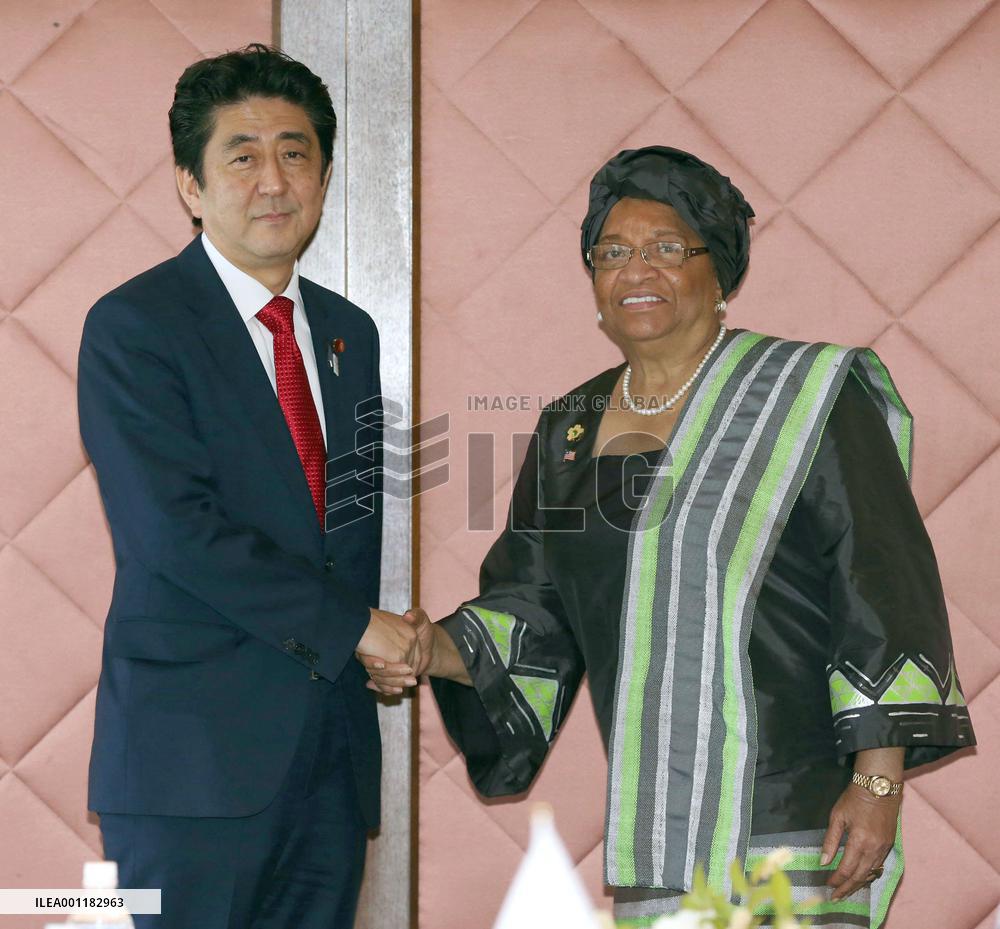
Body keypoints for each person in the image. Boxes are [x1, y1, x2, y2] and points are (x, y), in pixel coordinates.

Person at [361, 146, 976, 928]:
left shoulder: (807, 394)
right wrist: (428, 648)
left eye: (665, 248)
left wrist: (878, 782)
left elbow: (879, 579)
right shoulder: (571, 429)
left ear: (718, 272)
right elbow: (534, 609)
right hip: (659, 828)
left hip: (797, 815)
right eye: (612, 252)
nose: (636, 270)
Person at [78, 45, 421, 929]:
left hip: (330, 764)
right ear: (190, 186)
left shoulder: (349, 333)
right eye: (242, 155)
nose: (274, 180)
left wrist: (375, 639)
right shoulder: (134, 326)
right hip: (190, 768)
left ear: (325, 177)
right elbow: (173, 531)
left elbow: (348, 532)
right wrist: (354, 628)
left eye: (295, 154)